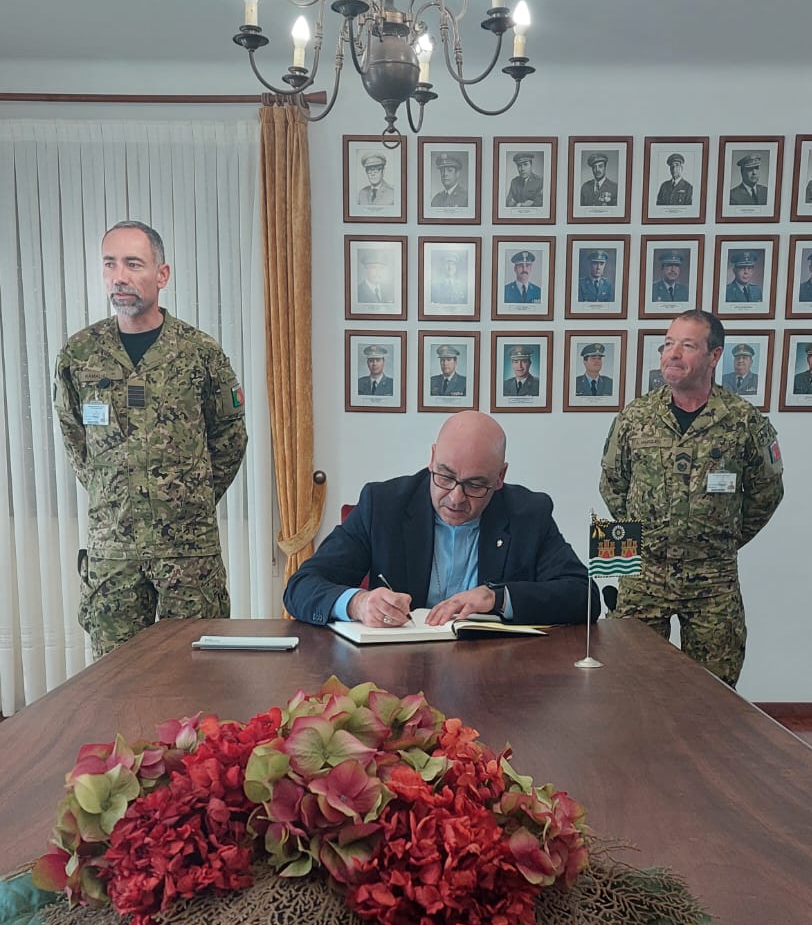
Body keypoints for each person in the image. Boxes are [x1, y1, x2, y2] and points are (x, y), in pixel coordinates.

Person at [53, 220, 247, 658]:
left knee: (197, 672)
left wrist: (187, 497)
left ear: (162, 275)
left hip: (188, 550)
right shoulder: (81, 354)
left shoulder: (199, 353)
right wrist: (113, 494)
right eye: (110, 264)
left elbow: (230, 436)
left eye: (133, 264)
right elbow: (74, 437)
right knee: (115, 678)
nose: (119, 276)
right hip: (114, 550)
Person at [599, 309, 783, 687]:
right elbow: (613, 483)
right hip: (643, 574)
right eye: (668, 344)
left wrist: (720, 538)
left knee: (714, 692)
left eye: (687, 345)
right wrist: (649, 536)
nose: (673, 354)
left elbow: (767, 492)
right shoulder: (636, 417)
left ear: (714, 356)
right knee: (627, 686)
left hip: (712, 581)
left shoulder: (743, 422)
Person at [283, 410, 599, 628]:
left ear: (500, 477)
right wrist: (358, 604)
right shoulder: (384, 505)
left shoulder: (528, 513)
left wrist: (497, 597)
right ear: (432, 459)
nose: (456, 497)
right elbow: (301, 587)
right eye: (445, 477)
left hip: (495, 677)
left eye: (475, 485)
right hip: (399, 674)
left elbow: (584, 596)